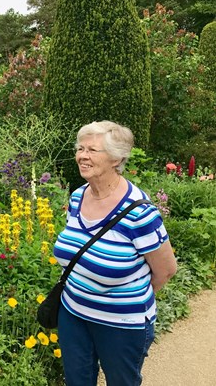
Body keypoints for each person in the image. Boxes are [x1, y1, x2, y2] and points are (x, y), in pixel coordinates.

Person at [53, 121, 177, 386]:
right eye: (80, 148)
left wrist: (124, 299)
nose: (82, 156)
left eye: (92, 150)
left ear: (116, 158)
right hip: (73, 312)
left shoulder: (139, 212)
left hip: (120, 323)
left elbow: (166, 270)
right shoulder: (77, 197)